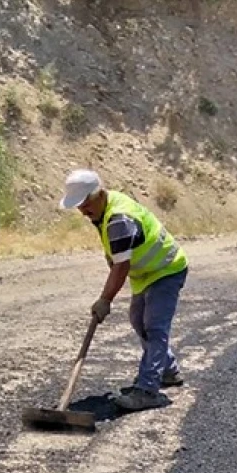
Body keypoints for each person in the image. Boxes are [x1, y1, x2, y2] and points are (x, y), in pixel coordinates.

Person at [59, 169, 189, 412]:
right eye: (79, 206)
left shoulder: (119, 218)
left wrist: (105, 299)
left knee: (154, 326)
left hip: (166, 269)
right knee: (138, 320)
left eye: (85, 203)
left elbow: (121, 267)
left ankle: (148, 389)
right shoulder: (103, 210)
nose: (83, 211)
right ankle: (167, 370)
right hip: (147, 274)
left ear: (99, 194)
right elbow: (118, 257)